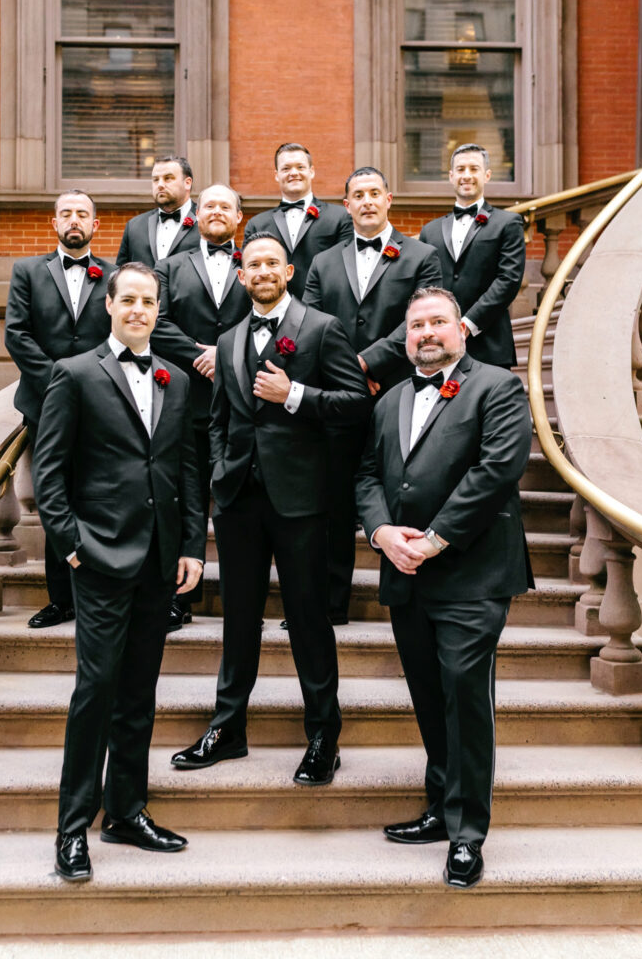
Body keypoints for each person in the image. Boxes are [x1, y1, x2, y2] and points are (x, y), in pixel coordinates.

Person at [170, 232, 370, 784]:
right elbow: (219, 419)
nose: (261, 270)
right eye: (252, 263)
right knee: (238, 618)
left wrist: (297, 396)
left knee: (308, 619)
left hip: (304, 502)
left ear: (288, 272)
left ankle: (323, 734)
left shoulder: (322, 329)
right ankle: (228, 726)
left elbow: (357, 406)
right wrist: (219, 471)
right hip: (237, 501)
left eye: (271, 264)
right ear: (241, 275)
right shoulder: (229, 337)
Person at [32, 261, 205, 882]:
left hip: (160, 562)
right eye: (127, 299)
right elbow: (47, 472)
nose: (138, 309)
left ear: (159, 310)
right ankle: (71, 826)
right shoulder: (74, 374)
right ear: (109, 305)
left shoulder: (176, 379)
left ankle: (127, 812)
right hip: (100, 559)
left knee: (138, 694)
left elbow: (185, 467)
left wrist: (191, 545)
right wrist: (72, 546)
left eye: (148, 301)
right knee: (95, 693)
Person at [355, 287, 532, 889]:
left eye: (437, 322)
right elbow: (368, 475)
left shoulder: (498, 387)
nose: (426, 333)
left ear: (462, 329)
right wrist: (381, 533)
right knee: (429, 696)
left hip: (472, 573)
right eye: (415, 326)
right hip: (405, 573)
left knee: (463, 694)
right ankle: (439, 805)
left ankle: (467, 833)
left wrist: (432, 540)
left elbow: (496, 471)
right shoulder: (390, 401)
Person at [302, 166, 442, 625]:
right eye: (356, 195)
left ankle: (408, 599)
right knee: (337, 501)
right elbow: (310, 326)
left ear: (388, 199)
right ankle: (329, 604)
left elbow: (418, 318)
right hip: (339, 401)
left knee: (401, 492)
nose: (365, 201)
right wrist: (346, 372)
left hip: (401, 390)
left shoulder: (422, 255)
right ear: (346, 205)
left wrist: (364, 365)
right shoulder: (323, 262)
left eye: (373, 193)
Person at [5, 189, 115, 629]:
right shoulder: (28, 271)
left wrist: (91, 385)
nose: (74, 220)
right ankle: (60, 599)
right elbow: (17, 334)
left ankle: (96, 592)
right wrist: (60, 384)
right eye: (66, 213)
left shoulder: (114, 275)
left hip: (101, 405)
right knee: (53, 496)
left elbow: (119, 334)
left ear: (95, 225)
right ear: (54, 223)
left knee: (96, 497)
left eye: (82, 214)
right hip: (44, 404)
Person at [151, 184, 251, 631]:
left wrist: (227, 354)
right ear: (197, 213)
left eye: (225, 206)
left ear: (238, 216)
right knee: (187, 500)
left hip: (242, 404)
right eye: (208, 205)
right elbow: (158, 321)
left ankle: (240, 598)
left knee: (237, 503)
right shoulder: (170, 266)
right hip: (187, 401)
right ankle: (180, 597)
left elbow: (270, 315)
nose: (216, 212)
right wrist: (199, 352)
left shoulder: (257, 262)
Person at [418, 143, 525, 368]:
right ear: (451, 176)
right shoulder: (430, 230)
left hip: (490, 345)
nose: (466, 175)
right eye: (461, 169)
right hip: (440, 347)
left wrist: (467, 324)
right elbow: (425, 287)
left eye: (474, 169)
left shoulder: (507, 223)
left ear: (487, 175)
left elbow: (508, 280)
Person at [242, 142, 352, 298]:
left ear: (311, 171)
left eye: (300, 167)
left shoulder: (340, 218)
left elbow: (345, 271)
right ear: (276, 175)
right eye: (286, 168)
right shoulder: (256, 224)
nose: (293, 173)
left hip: (323, 310)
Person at [116, 156, 200, 269]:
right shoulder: (134, 226)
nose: (160, 184)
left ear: (187, 183)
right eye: (156, 179)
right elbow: (119, 274)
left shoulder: (206, 221)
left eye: (168, 178)